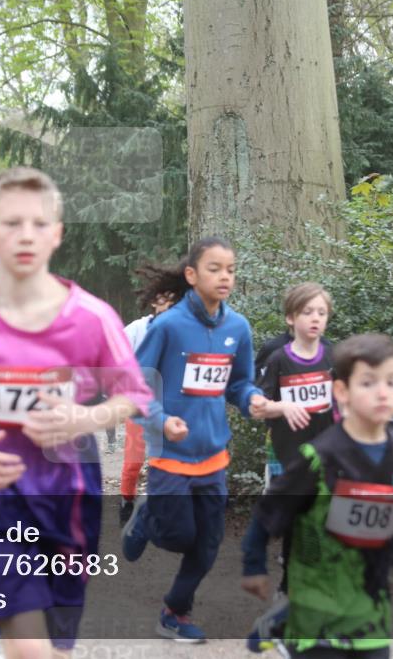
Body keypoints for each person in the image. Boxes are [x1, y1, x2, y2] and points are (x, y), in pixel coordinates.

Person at [0, 166, 152, 658]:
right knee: (29, 645)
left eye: (38, 223)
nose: (24, 235)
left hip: (69, 495)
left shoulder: (92, 318)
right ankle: (3, 607)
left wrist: (81, 418)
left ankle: (3, 615)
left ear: (57, 234)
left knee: (57, 642)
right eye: (11, 223)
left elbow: (133, 396)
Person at [241, 333, 393, 658]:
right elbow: (269, 511)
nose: (382, 392)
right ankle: (282, 622)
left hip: (369, 606)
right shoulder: (319, 456)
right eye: (368, 383)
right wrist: (254, 566)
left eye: (392, 382)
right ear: (342, 391)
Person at [122, 237, 267, 643]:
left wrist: (252, 398)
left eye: (231, 270)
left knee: (207, 546)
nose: (224, 277)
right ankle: (147, 519)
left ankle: (174, 612)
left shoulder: (238, 328)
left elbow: (239, 382)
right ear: (191, 275)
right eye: (214, 268)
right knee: (177, 536)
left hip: (214, 457)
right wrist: (162, 420)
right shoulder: (167, 326)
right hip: (171, 455)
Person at [251, 282, 336, 485]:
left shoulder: (334, 355)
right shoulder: (277, 358)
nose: (315, 318)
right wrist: (282, 406)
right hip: (285, 450)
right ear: (290, 318)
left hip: (325, 450)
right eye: (307, 312)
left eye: (322, 313)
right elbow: (257, 408)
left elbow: (345, 401)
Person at [118, 284, 175, 525]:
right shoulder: (136, 329)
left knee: (162, 462)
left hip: (170, 405)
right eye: (165, 299)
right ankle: (126, 501)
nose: (169, 305)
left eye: (175, 300)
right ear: (154, 301)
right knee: (133, 461)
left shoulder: (182, 330)